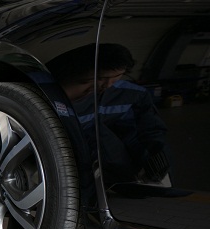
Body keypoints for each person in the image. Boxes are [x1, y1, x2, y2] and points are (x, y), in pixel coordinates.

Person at [46, 43, 171, 185]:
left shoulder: (129, 95)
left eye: (116, 77)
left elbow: (147, 129)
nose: (107, 85)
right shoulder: (46, 91)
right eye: (100, 78)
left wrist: (157, 153)